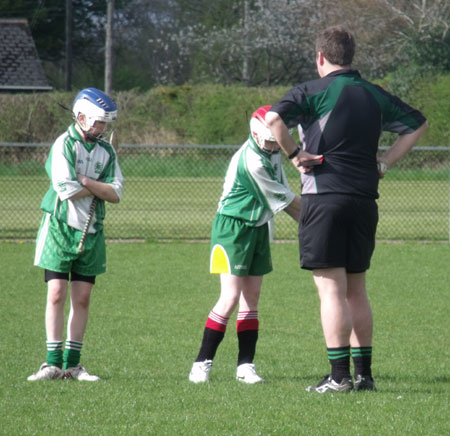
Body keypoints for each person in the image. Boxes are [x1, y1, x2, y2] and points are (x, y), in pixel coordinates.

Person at [266, 25, 427, 393]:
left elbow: (273, 120)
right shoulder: (373, 93)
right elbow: (417, 125)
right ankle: (364, 376)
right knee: (357, 290)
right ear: (351, 57)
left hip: (325, 198)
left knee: (331, 291)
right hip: (364, 201)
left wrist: (294, 155)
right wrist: (384, 162)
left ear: (320, 57)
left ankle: (338, 378)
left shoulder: (310, 90)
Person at [188, 105, 319, 384]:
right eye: (269, 140)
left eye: (276, 141)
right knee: (230, 297)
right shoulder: (251, 161)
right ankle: (201, 364)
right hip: (232, 229)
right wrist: (320, 223)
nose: (274, 146)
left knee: (252, 298)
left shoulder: (271, 154)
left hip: (257, 228)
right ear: (256, 133)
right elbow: (284, 200)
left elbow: (287, 193)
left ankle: (245, 367)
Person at [28, 87, 124, 381]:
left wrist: (84, 179)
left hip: (91, 231)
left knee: (82, 298)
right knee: (56, 294)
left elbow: (116, 192)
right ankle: (52, 363)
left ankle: (73, 365)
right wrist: (96, 186)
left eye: (106, 124)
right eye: (98, 122)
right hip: (59, 227)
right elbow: (64, 189)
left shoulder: (106, 152)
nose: (102, 128)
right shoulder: (63, 144)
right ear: (81, 117)